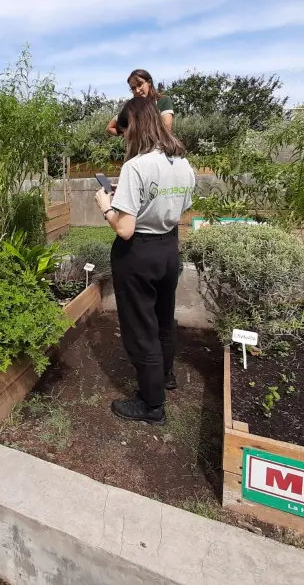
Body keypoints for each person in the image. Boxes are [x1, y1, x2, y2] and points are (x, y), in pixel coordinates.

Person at [95, 96, 195, 424]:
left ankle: (152, 405)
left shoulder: (135, 167)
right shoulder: (181, 162)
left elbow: (124, 228)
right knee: (164, 319)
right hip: (168, 248)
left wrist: (106, 204)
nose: (123, 137)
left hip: (138, 253)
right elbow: (182, 208)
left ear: (134, 127)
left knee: (141, 329)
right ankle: (165, 377)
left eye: (124, 130)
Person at [106, 69, 174, 136]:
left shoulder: (163, 101)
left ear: (149, 82)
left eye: (140, 84)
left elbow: (167, 130)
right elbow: (109, 128)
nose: (137, 90)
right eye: (133, 88)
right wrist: (128, 135)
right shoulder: (131, 108)